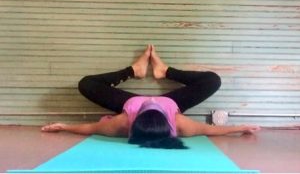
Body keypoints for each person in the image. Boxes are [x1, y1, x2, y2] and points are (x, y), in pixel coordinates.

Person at [41, 45, 260, 149]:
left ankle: (134, 71)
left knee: (86, 84)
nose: (152, 100)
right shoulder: (179, 123)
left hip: (128, 104)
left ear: (133, 123)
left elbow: (89, 128)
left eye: (149, 105)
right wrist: (239, 127)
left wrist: (64, 126)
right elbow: (212, 130)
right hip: (174, 103)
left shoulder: (123, 123)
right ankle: (165, 71)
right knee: (213, 80)